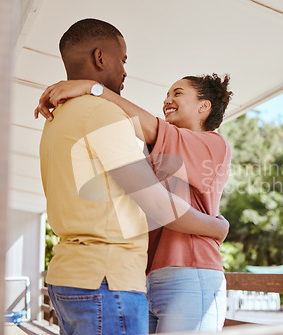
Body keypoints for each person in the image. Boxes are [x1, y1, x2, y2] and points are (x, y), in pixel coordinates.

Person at [39, 18, 229, 335]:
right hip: (143, 274)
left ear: (203, 107)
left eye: (178, 93)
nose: (168, 99)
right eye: (167, 93)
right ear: (101, 58)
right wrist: (218, 225)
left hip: (189, 270)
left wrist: (92, 88)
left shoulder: (212, 144)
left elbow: (149, 127)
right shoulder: (149, 146)